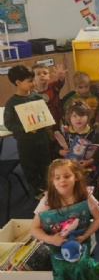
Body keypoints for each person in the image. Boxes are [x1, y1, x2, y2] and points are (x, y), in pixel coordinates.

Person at [31, 159, 99, 280]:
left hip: (79, 239)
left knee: (80, 264)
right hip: (57, 242)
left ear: (76, 177)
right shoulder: (47, 201)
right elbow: (34, 229)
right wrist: (51, 239)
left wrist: (85, 236)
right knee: (61, 268)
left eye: (67, 176)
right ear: (52, 181)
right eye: (57, 178)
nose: (62, 180)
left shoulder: (84, 196)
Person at [4, 64, 52, 197]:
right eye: (30, 81)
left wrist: (46, 121)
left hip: (41, 138)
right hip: (25, 142)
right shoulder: (11, 103)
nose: (33, 83)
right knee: (30, 166)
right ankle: (38, 190)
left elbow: (44, 114)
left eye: (33, 80)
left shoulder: (37, 97)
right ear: (18, 82)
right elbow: (9, 124)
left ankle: (49, 187)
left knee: (45, 163)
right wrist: (25, 128)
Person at [57, 101, 99, 187]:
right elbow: (57, 146)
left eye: (82, 115)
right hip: (69, 166)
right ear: (69, 118)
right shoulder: (66, 132)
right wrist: (61, 151)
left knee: (86, 185)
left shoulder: (94, 133)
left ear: (88, 117)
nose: (78, 119)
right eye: (75, 116)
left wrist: (89, 161)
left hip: (88, 167)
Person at [33, 63, 67, 130]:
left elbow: (60, 83)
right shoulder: (31, 92)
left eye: (45, 73)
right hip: (42, 123)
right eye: (38, 74)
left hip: (57, 119)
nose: (42, 75)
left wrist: (61, 78)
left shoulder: (53, 86)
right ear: (33, 78)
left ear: (49, 76)